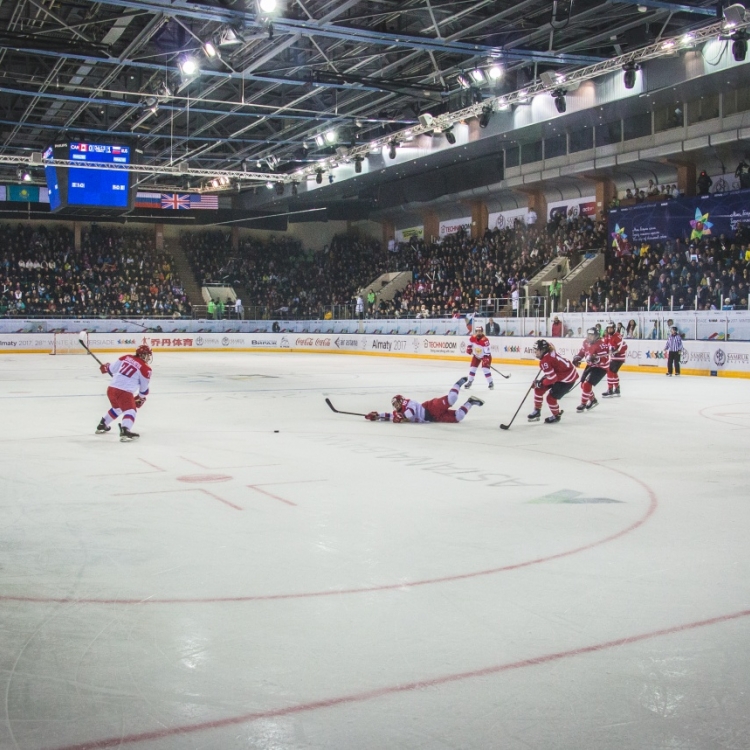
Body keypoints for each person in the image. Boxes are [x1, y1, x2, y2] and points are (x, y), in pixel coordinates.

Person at [95, 344, 153, 442]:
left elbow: (110, 369)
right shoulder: (146, 369)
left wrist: (105, 367)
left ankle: (102, 424)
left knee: (117, 408)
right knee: (131, 410)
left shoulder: (126, 357)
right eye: (147, 354)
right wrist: (141, 397)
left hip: (111, 389)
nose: (149, 357)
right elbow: (143, 389)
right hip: (124, 392)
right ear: (143, 355)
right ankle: (125, 431)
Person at [365, 378, 484, 423]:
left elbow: (410, 413)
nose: (395, 406)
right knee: (458, 417)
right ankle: (470, 402)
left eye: (396, 403)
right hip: (434, 418)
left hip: (430, 407)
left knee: (451, 399)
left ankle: (457, 384)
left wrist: (401, 418)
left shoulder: (408, 403)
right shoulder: (399, 412)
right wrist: (377, 416)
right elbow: (391, 416)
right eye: (394, 404)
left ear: (401, 401)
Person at [527, 340, 580, 424]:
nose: (535, 352)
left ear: (543, 350)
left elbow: (552, 379)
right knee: (538, 389)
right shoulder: (549, 350)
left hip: (567, 379)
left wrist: (540, 383)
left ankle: (556, 416)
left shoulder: (545, 361)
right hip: (559, 373)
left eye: (536, 350)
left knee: (550, 398)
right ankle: (537, 411)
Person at [572, 327, 610, 412]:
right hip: (591, 365)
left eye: (591, 335)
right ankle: (593, 400)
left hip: (601, 368)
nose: (589, 337)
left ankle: (583, 403)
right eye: (588, 334)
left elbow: (604, 360)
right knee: (583, 385)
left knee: (587, 384)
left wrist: (596, 359)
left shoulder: (601, 345)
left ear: (596, 336)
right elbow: (582, 352)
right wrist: (577, 358)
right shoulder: (585, 342)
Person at [601, 321, 628, 397]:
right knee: (613, 372)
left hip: (619, 357)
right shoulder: (607, 336)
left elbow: (624, 347)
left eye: (611, 328)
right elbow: (605, 346)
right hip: (613, 357)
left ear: (614, 328)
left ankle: (610, 389)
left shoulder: (618, 336)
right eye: (608, 328)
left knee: (610, 370)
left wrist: (615, 350)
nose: (609, 330)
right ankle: (616, 388)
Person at [464, 324, 494, 390]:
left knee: (485, 369)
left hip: (485, 356)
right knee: (472, 368)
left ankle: (490, 382)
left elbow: (487, 350)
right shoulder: (472, 337)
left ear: (482, 332)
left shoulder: (485, 340)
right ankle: (470, 381)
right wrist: (469, 348)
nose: (478, 332)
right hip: (476, 355)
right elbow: (469, 344)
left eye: (480, 331)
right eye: (477, 331)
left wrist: (486, 358)